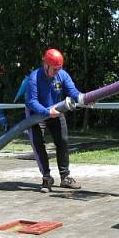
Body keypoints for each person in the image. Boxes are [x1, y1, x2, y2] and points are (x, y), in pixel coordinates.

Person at [25, 48, 83, 192]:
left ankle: (65, 177)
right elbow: (32, 101)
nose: (56, 71)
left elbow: (73, 92)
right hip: (36, 114)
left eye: (59, 68)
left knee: (62, 141)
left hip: (56, 112)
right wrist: (46, 112)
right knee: (38, 144)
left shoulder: (62, 75)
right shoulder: (34, 77)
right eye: (54, 69)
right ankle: (46, 178)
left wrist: (86, 98)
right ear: (46, 64)